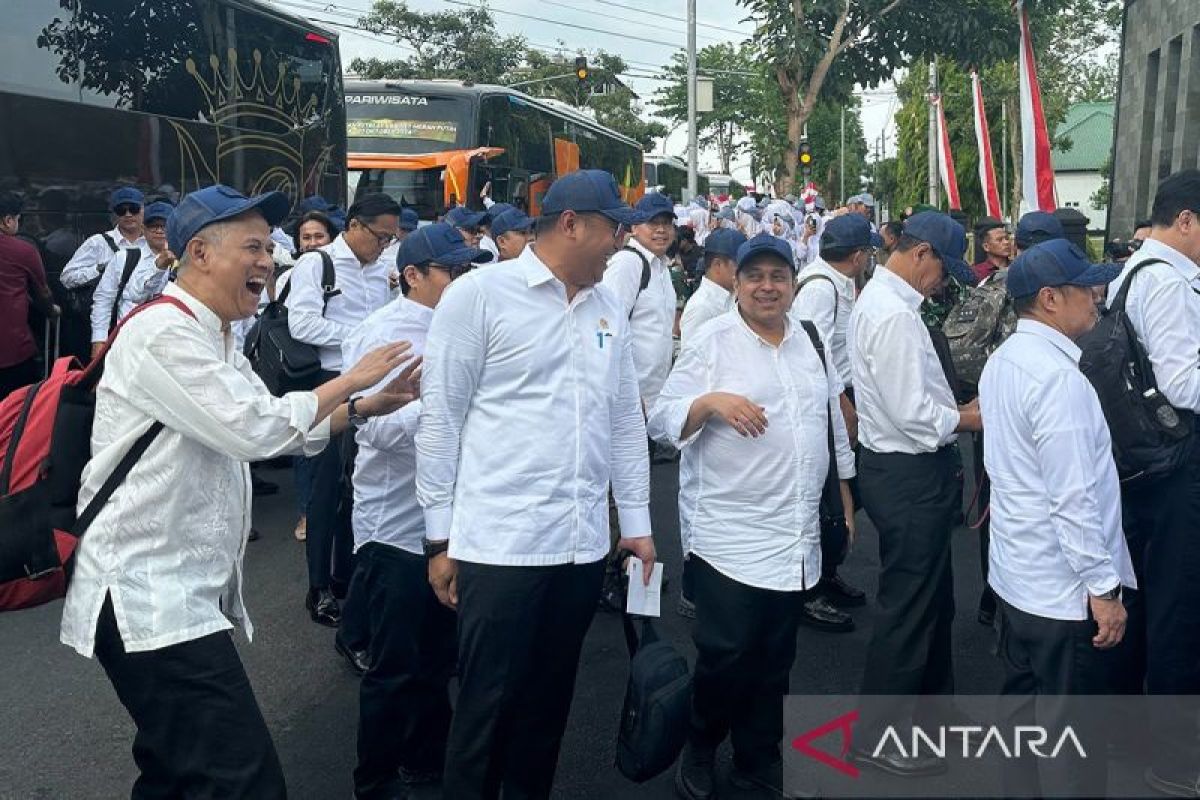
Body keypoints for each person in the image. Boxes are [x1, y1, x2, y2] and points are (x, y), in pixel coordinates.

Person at [58, 184, 419, 799]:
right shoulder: (163, 335)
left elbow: (279, 422)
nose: (269, 261)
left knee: (179, 774)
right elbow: (254, 429)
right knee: (243, 782)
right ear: (199, 253)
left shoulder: (218, 334)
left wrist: (359, 406)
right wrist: (350, 379)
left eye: (267, 248)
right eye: (253, 247)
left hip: (176, 596)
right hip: (149, 598)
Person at [417, 170, 655, 799]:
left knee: (546, 713)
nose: (621, 244)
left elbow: (624, 419)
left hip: (578, 548)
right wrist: (439, 539)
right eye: (614, 229)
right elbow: (441, 420)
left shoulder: (607, 307)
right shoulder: (480, 296)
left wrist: (636, 527)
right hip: (500, 547)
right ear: (571, 222)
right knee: (485, 712)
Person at [650, 234, 854, 800]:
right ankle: (700, 741)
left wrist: (843, 494)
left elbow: (832, 420)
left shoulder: (808, 340)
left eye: (778, 276)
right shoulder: (713, 341)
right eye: (755, 276)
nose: (768, 287)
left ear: (792, 284)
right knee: (726, 655)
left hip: (795, 533)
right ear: (736, 284)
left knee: (774, 660)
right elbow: (663, 419)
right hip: (729, 534)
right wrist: (712, 402)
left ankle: (757, 755)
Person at [979, 239, 1133, 798]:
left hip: (1018, 577)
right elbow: (1073, 498)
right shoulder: (1060, 381)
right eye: (1084, 287)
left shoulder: (1006, 361)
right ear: (1049, 299)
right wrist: (1103, 589)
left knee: (1021, 714)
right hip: (1062, 591)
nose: (1097, 295)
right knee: (1072, 737)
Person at [343, 223, 491, 799]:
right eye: (451, 271)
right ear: (413, 276)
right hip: (395, 527)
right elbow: (370, 429)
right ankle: (375, 779)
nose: (462, 280)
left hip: (455, 525)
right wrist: (443, 415)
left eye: (465, 269)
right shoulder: (385, 335)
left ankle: (427, 758)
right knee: (395, 666)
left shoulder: (467, 328)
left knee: (439, 657)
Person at [848, 211, 983, 777]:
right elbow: (914, 414)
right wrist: (971, 416)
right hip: (907, 472)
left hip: (901, 469)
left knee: (932, 598)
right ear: (921, 253)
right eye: (941, 270)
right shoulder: (894, 317)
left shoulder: (886, 304)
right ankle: (877, 738)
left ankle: (931, 719)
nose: (943, 282)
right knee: (908, 605)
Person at [1104, 169, 1200, 796]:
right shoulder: (1166, 284)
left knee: (1146, 601)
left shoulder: (1133, 273)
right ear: (1187, 220)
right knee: (1178, 611)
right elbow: (1183, 384)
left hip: (1144, 461)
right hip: (1174, 464)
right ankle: (1173, 761)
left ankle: (1125, 735)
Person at [287, 192, 401, 627]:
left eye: (390, 239)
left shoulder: (382, 271)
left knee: (357, 488)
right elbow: (303, 323)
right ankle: (318, 588)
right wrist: (364, 337)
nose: (383, 245)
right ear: (354, 226)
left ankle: (345, 578)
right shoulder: (318, 264)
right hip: (330, 384)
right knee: (324, 493)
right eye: (379, 236)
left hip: (371, 386)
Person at [792, 214, 875, 630]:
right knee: (825, 495)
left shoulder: (835, 283)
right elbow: (815, 353)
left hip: (840, 399)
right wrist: (840, 402)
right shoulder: (820, 289)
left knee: (844, 493)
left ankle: (825, 571)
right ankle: (808, 589)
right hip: (826, 404)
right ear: (858, 255)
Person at [603, 192, 678, 412]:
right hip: (629, 401)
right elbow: (605, 329)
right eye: (653, 223)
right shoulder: (627, 264)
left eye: (667, 223)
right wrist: (624, 392)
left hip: (655, 399)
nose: (661, 230)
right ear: (634, 226)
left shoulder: (661, 267)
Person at [89, 202, 177, 357]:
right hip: (129, 344)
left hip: (171, 345)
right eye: (153, 226)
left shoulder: (187, 260)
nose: (159, 230)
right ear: (143, 229)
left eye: (164, 226)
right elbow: (104, 299)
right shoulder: (124, 258)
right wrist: (98, 341)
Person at [0, 191, 59, 399]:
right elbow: (43, 292)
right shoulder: (23, 251)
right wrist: (51, 311)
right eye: (18, 219)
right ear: (8, 221)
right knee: (16, 412)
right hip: (13, 354)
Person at [679, 227, 745, 344]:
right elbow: (693, 358)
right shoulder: (701, 308)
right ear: (718, 265)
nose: (746, 271)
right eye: (740, 264)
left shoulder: (731, 297)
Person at [971, 217, 1011, 282]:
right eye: (999, 240)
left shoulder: (1017, 267)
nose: (1006, 242)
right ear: (986, 246)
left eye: (1006, 238)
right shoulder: (976, 273)